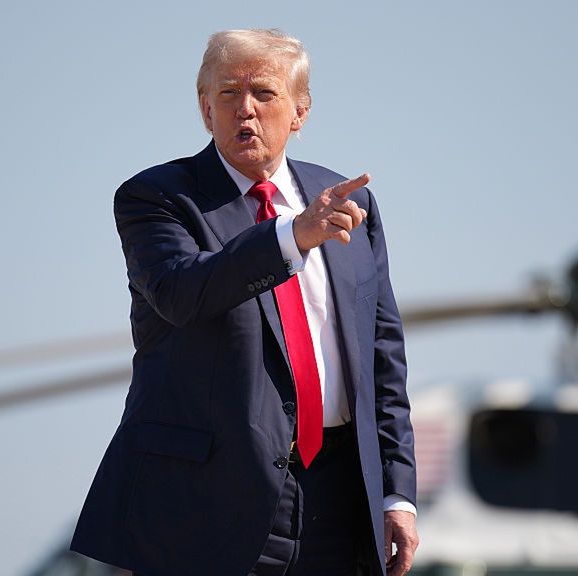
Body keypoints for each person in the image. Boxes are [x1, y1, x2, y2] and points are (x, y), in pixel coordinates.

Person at [70, 29, 418, 576]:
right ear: (205, 110)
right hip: (206, 507)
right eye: (228, 95)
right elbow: (181, 292)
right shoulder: (157, 197)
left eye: (264, 93)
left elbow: (382, 356)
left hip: (339, 503)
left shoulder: (351, 203)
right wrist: (290, 238)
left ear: (300, 112)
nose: (245, 111)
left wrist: (397, 493)